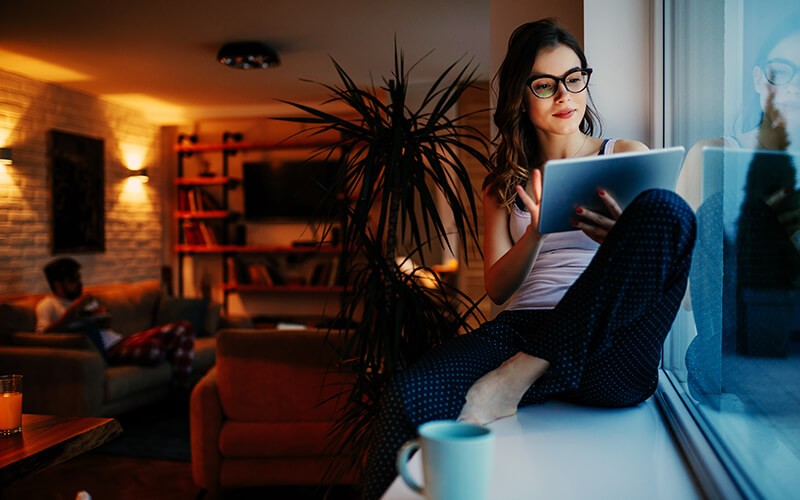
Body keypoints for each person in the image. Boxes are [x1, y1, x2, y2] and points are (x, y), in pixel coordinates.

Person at [360, 19, 696, 499]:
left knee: (668, 211)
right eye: (545, 84)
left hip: (610, 349)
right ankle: (527, 367)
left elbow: (672, 277)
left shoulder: (625, 153)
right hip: (521, 331)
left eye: (574, 78)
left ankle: (523, 372)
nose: (565, 95)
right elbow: (497, 288)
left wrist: (624, 245)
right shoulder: (502, 184)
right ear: (522, 95)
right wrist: (535, 233)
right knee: (406, 398)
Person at [35, 257, 196, 389]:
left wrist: (101, 318)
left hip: (123, 341)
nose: (79, 283)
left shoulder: (85, 301)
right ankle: (181, 389)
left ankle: (180, 387)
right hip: (110, 352)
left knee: (183, 328)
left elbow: (107, 325)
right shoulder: (48, 305)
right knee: (156, 349)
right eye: (73, 280)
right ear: (58, 284)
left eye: (79, 278)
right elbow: (41, 336)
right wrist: (72, 313)